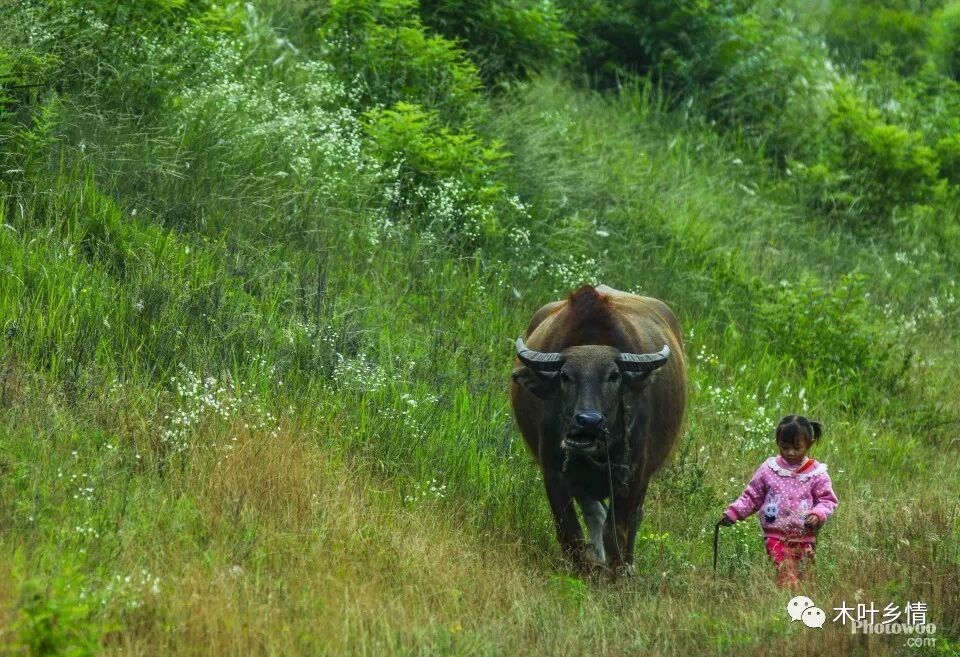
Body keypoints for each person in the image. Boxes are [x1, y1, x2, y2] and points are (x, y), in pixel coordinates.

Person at [718, 415, 839, 589]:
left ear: (810, 444)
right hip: (775, 534)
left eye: (797, 448)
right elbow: (752, 495)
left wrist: (817, 514)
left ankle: (799, 603)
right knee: (785, 571)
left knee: (805, 576)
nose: (790, 452)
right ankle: (785, 600)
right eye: (784, 447)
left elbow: (827, 500)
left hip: (805, 535)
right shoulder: (769, 469)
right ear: (777, 442)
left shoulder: (817, 474)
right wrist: (734, 513)